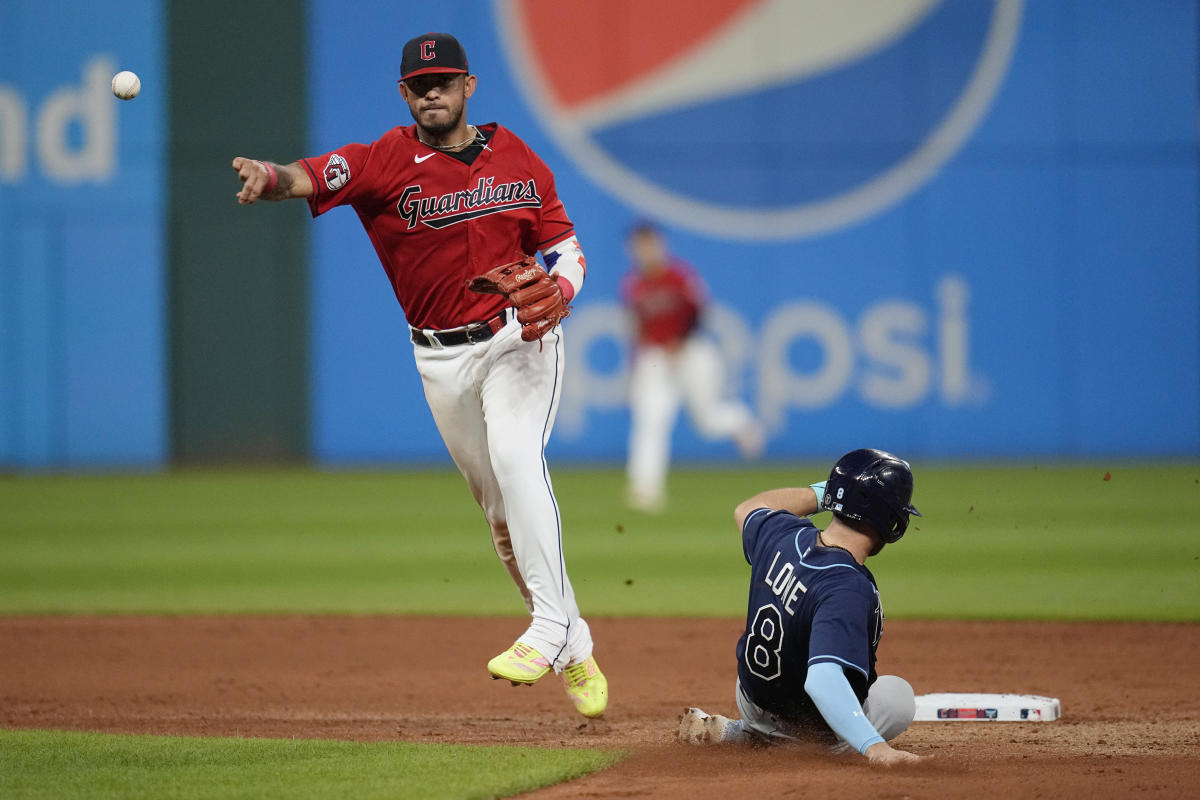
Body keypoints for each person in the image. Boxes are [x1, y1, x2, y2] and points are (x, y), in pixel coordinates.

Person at [230, 32, 606, 719]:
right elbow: (311, 175)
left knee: (519, 458)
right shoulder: (383, 161)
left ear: (469, 86)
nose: (433, 91)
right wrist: (270, 175)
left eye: (445, 80)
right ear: (405, 94)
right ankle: (576, 642)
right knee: (500, 520)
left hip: (520, 340)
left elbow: (565, 243)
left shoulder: (517, 155)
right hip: (439, 357)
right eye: (420, 84)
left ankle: (549, 628)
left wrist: (566, 288)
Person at [678, 448, 925, 766]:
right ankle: (810, 750)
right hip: (808, 724)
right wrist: (876, 748)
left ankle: (748, 733)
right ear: (890, 520)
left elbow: (748, 508)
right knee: (897, 697)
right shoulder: (847, 585)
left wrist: (835, 493)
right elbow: (822, 680)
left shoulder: (784, 534)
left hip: (751, 699)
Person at [620, 222, 765, 512]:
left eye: (650, 243)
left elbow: (701, 312)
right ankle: (645, 489)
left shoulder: (681, 277)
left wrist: (680, 340)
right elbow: (634, 328)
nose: (645, 250)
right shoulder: (633, 285)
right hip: (656, 357)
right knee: (650, 421)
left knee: (707, 421)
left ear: (661, 244)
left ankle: (740, 421)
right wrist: (634, 365)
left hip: (693, 352)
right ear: (632, 249)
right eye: (640, 244)